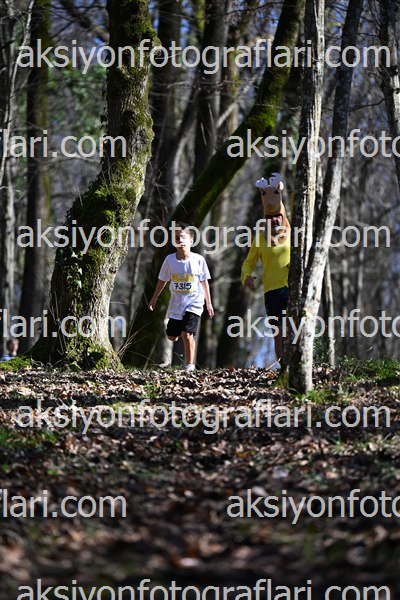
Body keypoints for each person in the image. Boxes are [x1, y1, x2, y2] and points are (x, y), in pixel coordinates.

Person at [148, 222, 214, 371]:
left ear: (191, 240)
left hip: (195, 302)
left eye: (183, 237)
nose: (180, 240)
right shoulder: (170, 260)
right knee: (172, 336)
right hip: (177, 303)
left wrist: (209, 303)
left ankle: (189, 366)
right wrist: (154, 298)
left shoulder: (198, 260)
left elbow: (204, 282)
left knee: (187, 334)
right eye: (176, 238)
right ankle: (179, 333)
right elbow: (162, 280)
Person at [242, 174, 291, 363]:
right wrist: (246, 276)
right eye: (271, 218)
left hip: (291, 288)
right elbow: (248, 262)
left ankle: (297, 366)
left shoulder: (294, 235)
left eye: (278, 217)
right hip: (271, 292)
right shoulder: (260, 239)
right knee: (278, 333)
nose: (275, 220)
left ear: (283, 216)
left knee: (293, 330)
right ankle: (284, 369)